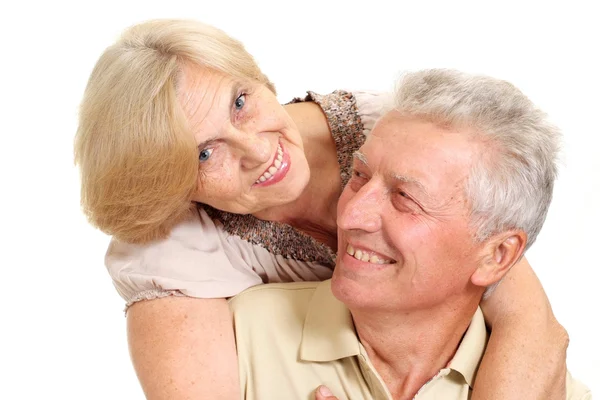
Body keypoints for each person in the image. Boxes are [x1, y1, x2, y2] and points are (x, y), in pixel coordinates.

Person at [74, 19, 569, 399]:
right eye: (204, 153)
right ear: (167, 184)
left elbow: (530, 324)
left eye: (240, 102)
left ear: (256, 77)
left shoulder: (400, 131)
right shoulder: (170, 253)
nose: (255, 149)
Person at [229, 69, 591, 400]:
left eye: (405, 198)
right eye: (358, 176)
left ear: (496, 256)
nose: (352, 214)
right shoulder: (237, 339)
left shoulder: (553, 391)